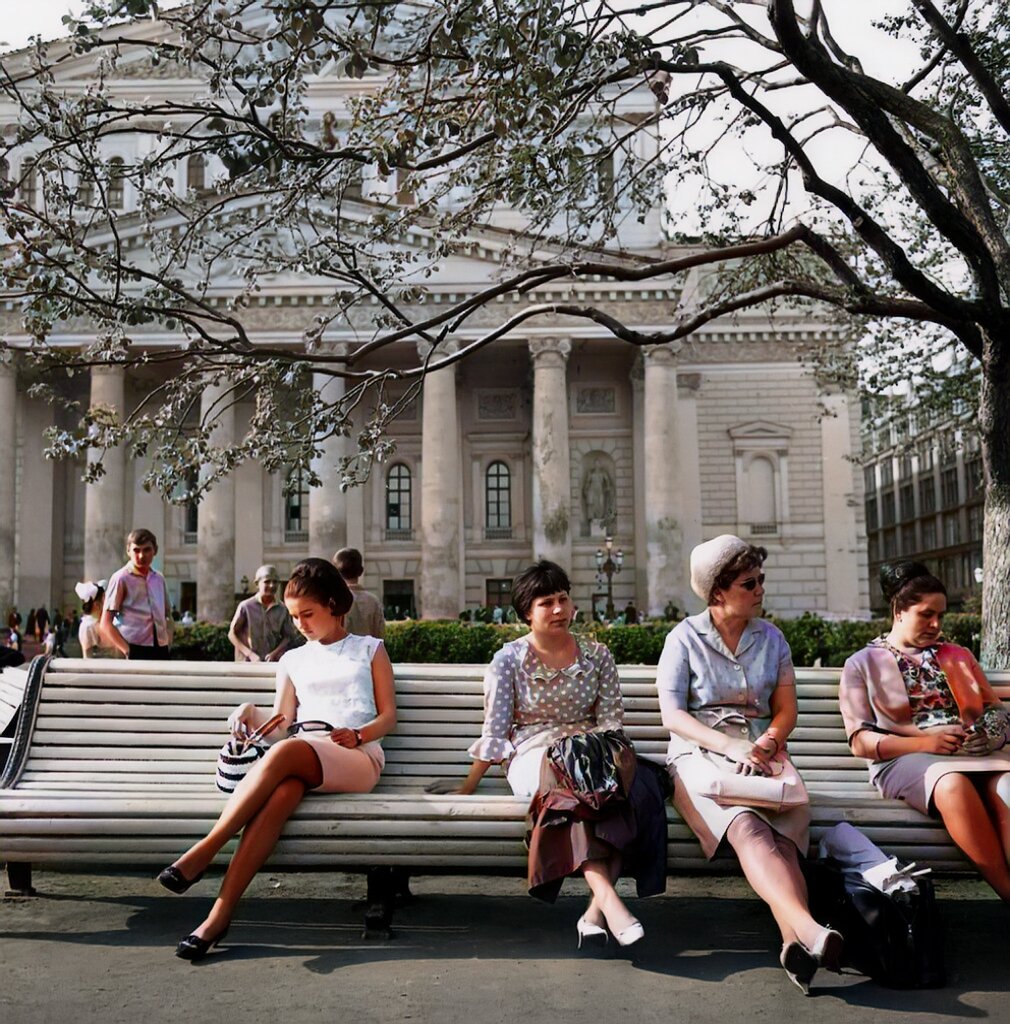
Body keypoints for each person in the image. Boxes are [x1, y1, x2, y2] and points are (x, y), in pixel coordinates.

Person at [157, 557, 397, 961]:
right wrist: (250, 710)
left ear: (335, 605)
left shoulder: (369, 649)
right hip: (302, 754)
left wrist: (358, 734)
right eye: (294, 616)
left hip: (357, 755)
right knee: (283, 792)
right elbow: (283, 722)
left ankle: (208, 847)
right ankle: (219, 915)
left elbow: (388, 716)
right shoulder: (292, 660)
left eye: (308, 614)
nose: (300, 623)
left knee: (288, 754)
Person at [428, 560, 657, 947]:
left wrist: (606, 761)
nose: (558, 609)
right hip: (535, 755)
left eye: (563, 599)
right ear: (525, 614)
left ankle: (595, 912)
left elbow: (610, 723)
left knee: (626, 796)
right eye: (546, 602)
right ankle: (610, 903)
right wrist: (470, 785)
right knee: (573, 797)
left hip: (591, 750)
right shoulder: (509, 660)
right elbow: (496, 730)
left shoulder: (596, 655)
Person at [656, 535, 841, 994]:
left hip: (765, 755)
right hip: (698, 758)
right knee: (747, 826)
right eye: (749, 582)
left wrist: (769, 741)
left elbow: (785, 709)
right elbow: (673, 716)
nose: (760, 589)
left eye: (761, 580)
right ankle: (810, 927)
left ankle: (793, 943)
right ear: (718, 592)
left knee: (785, 834)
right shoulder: (683, 639)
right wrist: (732, 747)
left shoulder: (772, 638)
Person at [840, 561, 1010, 903]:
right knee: (952, 785)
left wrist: (990, 736)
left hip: (976, 758)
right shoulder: (862, 663)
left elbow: (995, 711)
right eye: (925, 614)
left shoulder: (957, 655)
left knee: (1008, 786)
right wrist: (924, 742)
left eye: (940, 616)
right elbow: (860, 742)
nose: (935, 624)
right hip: (905, 760)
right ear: (898, 611)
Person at [101, 529, 174, 660]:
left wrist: (169, 640)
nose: (141, 556)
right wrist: (127, 650)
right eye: (136, 550)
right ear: (128, 551)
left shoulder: (158, 578)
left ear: (155, 551)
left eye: (147, 550)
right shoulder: (120, 578)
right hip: (133, 646)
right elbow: (106, 623)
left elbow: (167, 615)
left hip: (160, 647)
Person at [228, 564, 300, 662]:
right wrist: (249, 654)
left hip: (271, 662)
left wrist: (275, 653)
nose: (272, 585)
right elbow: (232, 634)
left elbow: (288, 636)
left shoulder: (282, 609)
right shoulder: (246, 606)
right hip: (247, 662)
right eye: (267, 582)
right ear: (257, 584)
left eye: (275, 582)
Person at [334, 547, 385, 639]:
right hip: (368, 652)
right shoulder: (373, 601)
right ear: (361, 571)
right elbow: (380, 635)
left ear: (336, 572)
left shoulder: (333, 601)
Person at [75, 580, 118, 659]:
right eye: (104, 598)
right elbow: (87, 658)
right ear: (97, 605)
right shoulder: (87, 627)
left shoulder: (109, 620)